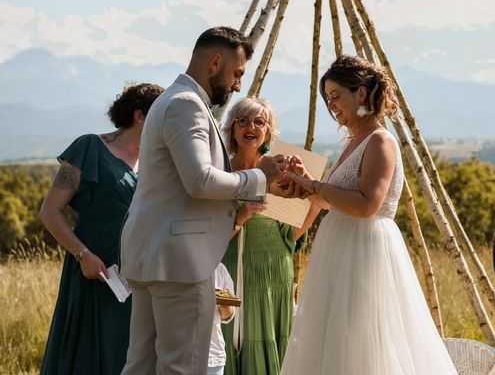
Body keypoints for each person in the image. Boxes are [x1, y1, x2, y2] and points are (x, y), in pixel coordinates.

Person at [119, 27, 288, 375]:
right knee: (183, 368)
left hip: (154, 255)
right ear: (215, 62)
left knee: (142, 366)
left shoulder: (172, 100)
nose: (239, 84)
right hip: (181, 261)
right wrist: (261, 176)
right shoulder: (186, 104)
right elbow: (199, 180)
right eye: (237, 73)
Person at [281, 56, 459, 375]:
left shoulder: (380, 141)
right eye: (327, 98)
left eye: (336, 96)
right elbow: (332, 200)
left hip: (364, 250)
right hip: (338, 249)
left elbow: (367, 206)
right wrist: (305, 185)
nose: (331, 105)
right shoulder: (353, 142)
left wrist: (315, 185)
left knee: (363, 339)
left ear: (361, 94)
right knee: (335, 340)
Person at [39, 82, 164, 375]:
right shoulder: (89, 147)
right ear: (140, 116)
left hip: (136, 275)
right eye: (161, 115)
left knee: (129, 353)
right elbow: (50, 211)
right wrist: (83, 255)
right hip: (94, 270)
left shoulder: (156, 161)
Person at [219, 98, 307, 375]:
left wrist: (311, 196)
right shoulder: (219, 173)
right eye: (242, 120)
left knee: (270, 343)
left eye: (259, 122)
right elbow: (207, 236)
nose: (251, 127)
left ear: (268, 132)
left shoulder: (282, 174)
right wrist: (241, 216)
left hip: (273, 274)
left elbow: (290, 235)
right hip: (228, 271)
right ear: (232, 129)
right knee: (227, 340)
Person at [209, 263, 236, 375]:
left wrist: (225, 305)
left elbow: (227, 315)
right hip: (179, 355)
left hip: (212, 357)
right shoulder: (175, 264)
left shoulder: (219, 269)